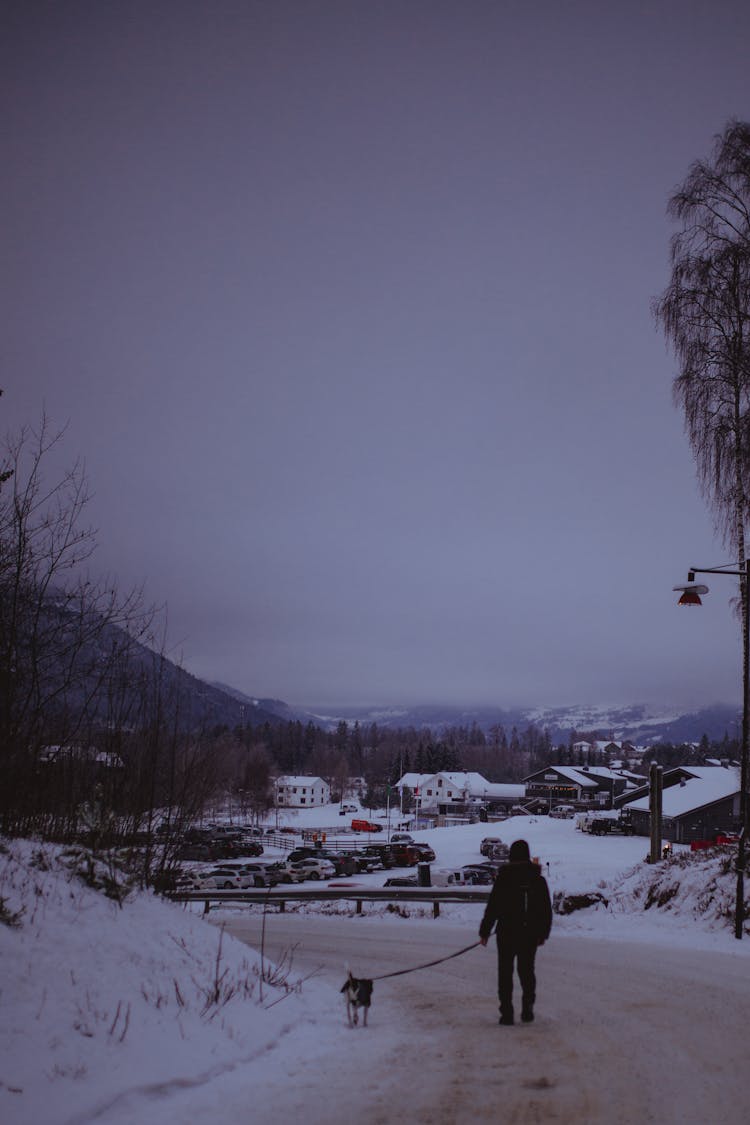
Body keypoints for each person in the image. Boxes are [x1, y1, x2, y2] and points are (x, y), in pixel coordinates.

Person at [479, 838, 552, 1025]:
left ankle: (507, 1013)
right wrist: (543, 933)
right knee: (527, 971)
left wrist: (485, 931)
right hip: (529, 934)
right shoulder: (538, 880)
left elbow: (493, 906)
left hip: (506, 933)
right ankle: (527, 1008)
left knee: (505, 973)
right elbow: (545, 910)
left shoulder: (504, 878)